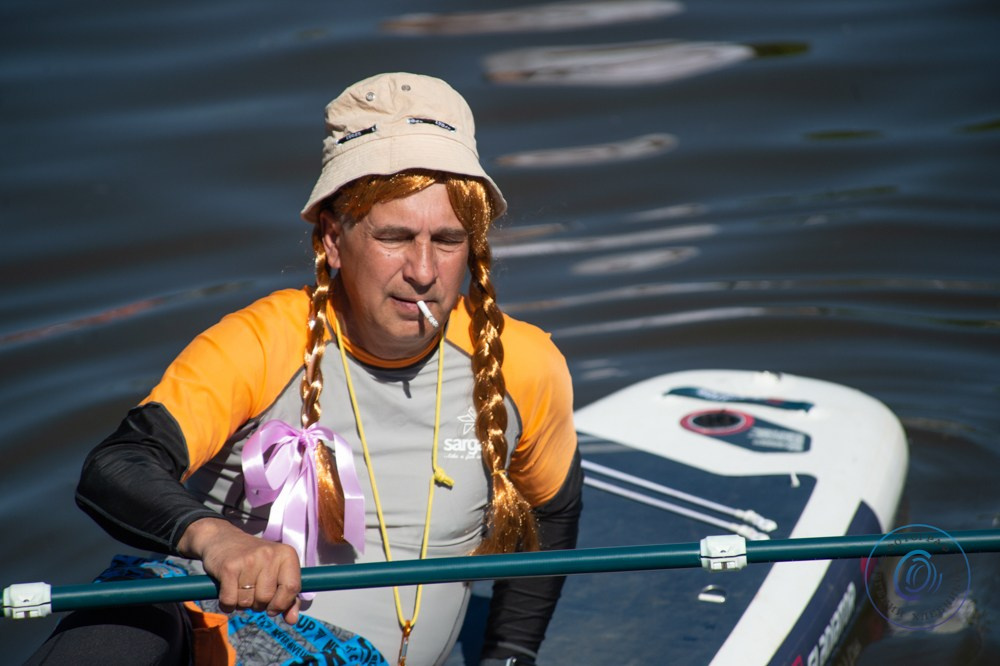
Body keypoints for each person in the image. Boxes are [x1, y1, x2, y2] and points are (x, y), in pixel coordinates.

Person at [27, 72, 582, 666]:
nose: (424, 271)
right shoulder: (261, 342)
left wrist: (510, 655)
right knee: (117, 623)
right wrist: (216, 538)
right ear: (333, 240)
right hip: (219, 642)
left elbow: (552, 511)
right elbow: (116, 465)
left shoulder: (521, 363)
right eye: (394, 236)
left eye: (447, 240)